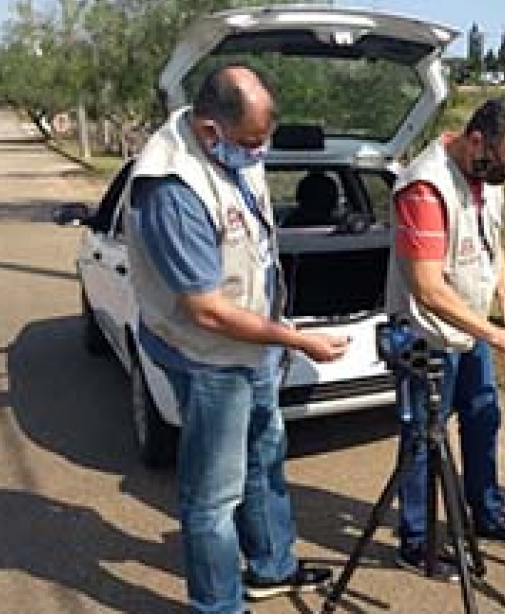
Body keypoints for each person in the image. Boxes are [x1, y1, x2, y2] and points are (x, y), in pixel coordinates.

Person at [125, 63, 349, 613]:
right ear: (209, 131)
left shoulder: (228, 151)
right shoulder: (170, 188)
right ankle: (218, 606)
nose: (261, 150)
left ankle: (274, 566)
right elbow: (206, 311)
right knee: (212, 497)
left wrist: (274, 336)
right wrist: (295, 341)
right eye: (252, 141)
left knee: (265, 457)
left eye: (264, 138)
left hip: (253, 346)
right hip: (210, 358)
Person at [385, 98, 505, 577]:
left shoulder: (483, 177)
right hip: (427, 335)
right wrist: (495, 334)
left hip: (468, 329)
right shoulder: (425, 188)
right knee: (423, 438)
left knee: (482, 416)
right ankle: (416, 539)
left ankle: (486, 513)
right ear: (478, 142)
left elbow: (490, 247)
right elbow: (428, 289)